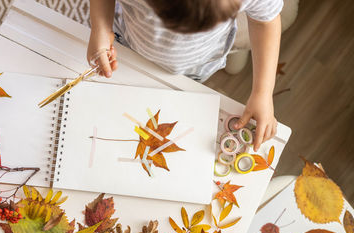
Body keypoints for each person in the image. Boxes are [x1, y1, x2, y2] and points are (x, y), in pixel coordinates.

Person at [88, 0, 282, 152]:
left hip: (196, 66)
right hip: (127, 43)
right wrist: (101, 29)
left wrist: (262, 92)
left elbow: (265, 22)